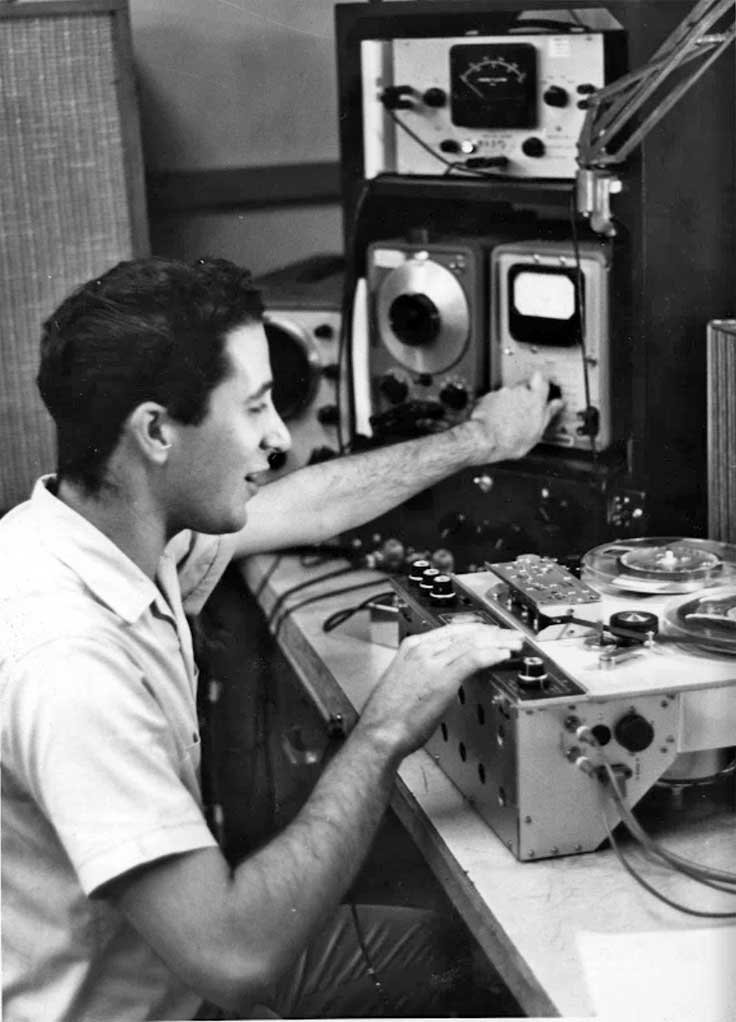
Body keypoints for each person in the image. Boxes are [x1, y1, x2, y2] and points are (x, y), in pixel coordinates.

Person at [0, 256, 562, 1022]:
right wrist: (386, 727)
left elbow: (305, 504)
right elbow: (234, 959)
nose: (276, 440)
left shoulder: (102, 534)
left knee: (460, 954)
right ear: (158, 431)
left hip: (176, 981)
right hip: (175, 997)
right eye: (257, 407)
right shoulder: (70, 665)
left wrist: (478, 440)